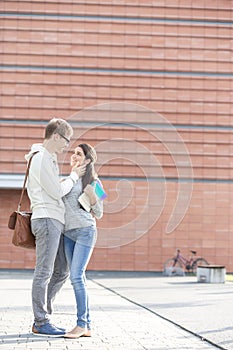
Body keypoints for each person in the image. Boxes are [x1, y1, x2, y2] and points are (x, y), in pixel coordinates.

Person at [25, 118, 87, 337]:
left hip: (79, 230)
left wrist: (96, 203)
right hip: (49, 220)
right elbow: (56, 192)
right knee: (47, 272)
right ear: (56, 136)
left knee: (63, 270)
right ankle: (41, 321)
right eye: (68, 143)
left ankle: (45, 312)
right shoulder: (42, 158)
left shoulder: (88, 177)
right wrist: (72, 176)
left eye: (79, 153)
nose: (70, 150)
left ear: (89, 160)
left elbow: (101, 200)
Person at [62, 143, 104, 339]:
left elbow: (100, 213)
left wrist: (92, 197)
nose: (74, 156)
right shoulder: (68, 179)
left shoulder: (95, 182)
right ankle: (86, 326)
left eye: (79, 153)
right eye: (73, 153)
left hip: (86, 231)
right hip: (67, 234)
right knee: (77, 278)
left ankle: (81, 324)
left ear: (88, 159)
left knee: (77, 277)